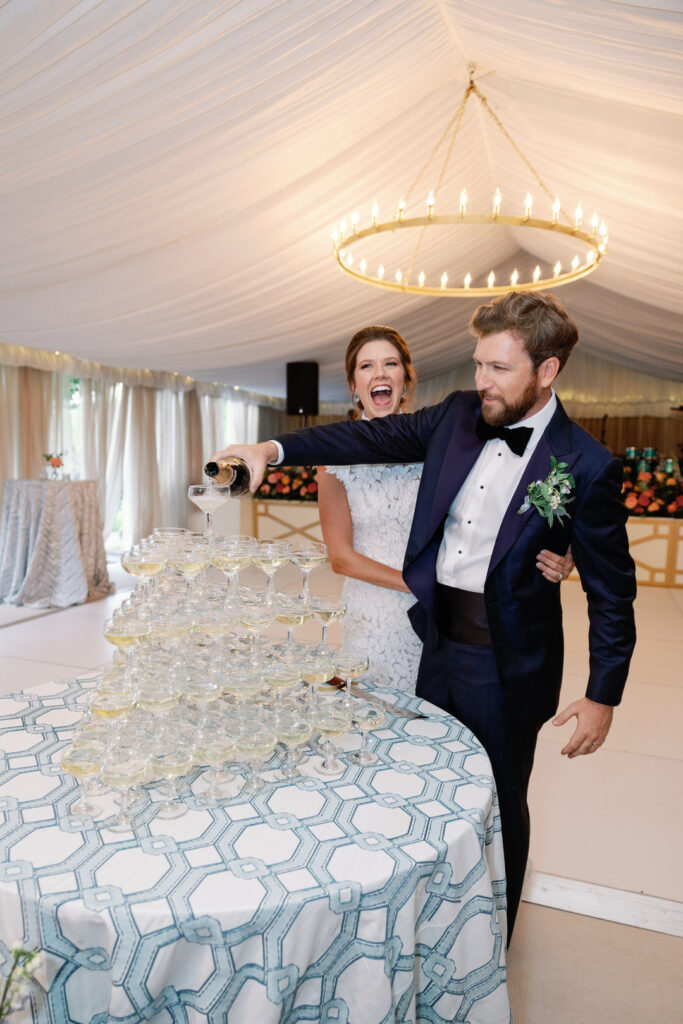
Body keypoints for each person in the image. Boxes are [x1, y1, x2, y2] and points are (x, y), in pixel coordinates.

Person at [213, 291, 637, 940]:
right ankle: (426, 916)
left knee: (496, 804)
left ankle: (494, 933)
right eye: (476, 365)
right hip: (431, 644)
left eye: (498, 369)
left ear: (545, 371)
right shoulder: (459, 417)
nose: (481, 382)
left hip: (504, 663)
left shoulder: (585, 464)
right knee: (418, 787)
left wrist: (601, 693)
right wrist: (270, 450)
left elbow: (613, 594)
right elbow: (361, 436)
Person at [319, 323, 574, 691]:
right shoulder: (333, 461)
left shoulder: (442, 443)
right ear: (353, 385)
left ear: (406, 380)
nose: (379, 373)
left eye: (390, 364)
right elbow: (341, 558)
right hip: (376, 609)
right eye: (366, 366)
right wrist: (421, 586)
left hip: (446, 611)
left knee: (435, 720)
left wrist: (564, 550)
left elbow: (500, 505)